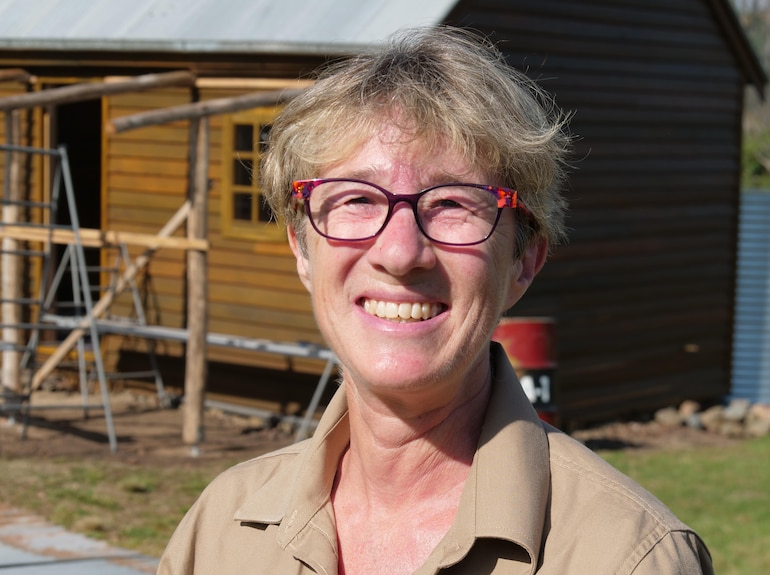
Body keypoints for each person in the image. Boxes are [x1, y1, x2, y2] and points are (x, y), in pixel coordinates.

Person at [157, 26, 714, 575]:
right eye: (356, 198)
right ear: (302, 248)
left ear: (524, 259)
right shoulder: (220, 534)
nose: (400, 253)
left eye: (453, 203)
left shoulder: (629, 558)